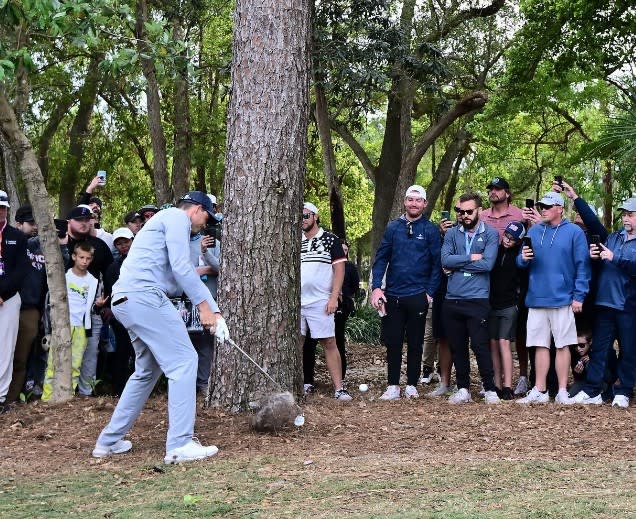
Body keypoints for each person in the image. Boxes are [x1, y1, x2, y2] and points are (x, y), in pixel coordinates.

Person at [93, 191, 229, 464]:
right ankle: (180, 444)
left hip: (128, 300)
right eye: (206, 216)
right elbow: (181, 269)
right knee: (184, 360)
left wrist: (214, 311)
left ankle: (108, 442)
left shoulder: (169, 228)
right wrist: (208, 308)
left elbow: (179, 279)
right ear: (196, 209)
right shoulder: (176, 216)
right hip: (143, 297)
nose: (205, 224)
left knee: (147, 370)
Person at [516, 191, 590, 405]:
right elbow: (521, 263)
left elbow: (582, 267)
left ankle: (562, 391)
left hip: (563, 299)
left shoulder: (574, 232)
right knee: (539, 345)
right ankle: (539, 389)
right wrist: (522, 258)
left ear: (560, 208)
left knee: (562, 345)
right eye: (542, 206)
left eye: (548, 206)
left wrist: (579, 296)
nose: (543, 210)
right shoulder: (534, 230)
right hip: (536, 298)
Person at [371, 185, 441, 400]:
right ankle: (392, 385)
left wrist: (429, 293)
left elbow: (437, 264)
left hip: (418, 295)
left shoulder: (430, 229)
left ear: (425, 204)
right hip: (393, 294)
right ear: (404, 201)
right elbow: (382, 258)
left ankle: (412, 383)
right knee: (393, 342)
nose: (414, 204)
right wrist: (376, 288)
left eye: (418, 201)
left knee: (416, 342)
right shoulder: (393, 227)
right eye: (410, 200)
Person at [572, 197, 636, 407]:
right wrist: (595, 256)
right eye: (624, 214)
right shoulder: (615, 236)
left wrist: (613, 258)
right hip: (605, 303)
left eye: (630, 214)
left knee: (628, 349)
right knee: (599, 348)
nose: (626, 218)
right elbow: (591, 221)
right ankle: (593, 391)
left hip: (627, 305)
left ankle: (623, 391)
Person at [441, 192, 500, 404]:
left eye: (468, 211)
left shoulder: (491, 234)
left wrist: (457, 265)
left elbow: (488, 265)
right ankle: (463, 388)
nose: (463, 215)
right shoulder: (451, 234)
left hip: (478, 298)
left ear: (479, 211)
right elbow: (445, 259)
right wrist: (470, 257)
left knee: (479, 345)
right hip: (453, 298)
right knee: (458, 347)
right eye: (460, 211)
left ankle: (490, 388)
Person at [42, 242, 107, 401]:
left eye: (88, 258)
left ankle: (67, 397)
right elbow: (50, 301)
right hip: (62, 326)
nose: (84, 261)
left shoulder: (93, 281)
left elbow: (91, 308)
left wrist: (97, 305)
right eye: (81, 257)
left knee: (75, 364)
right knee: (54, 362)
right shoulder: (63, 276)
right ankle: (47, 398)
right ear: (74, 257)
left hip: (81, 328)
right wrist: (49, 327)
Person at [300, 202, 352, 401]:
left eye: (306, 216)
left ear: (315, 216)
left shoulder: (331, 240)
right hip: (297, 302)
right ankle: (300, 384)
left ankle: (339, 388)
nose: (302, 220)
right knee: (297, 343)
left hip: (320, 300)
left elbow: (339, 270)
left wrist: (333, 296)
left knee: (329, 341)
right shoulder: (294, 240)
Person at [64, 205, 114, 397]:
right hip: (65, 310)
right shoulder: (59, 243)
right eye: (79, 220)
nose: (84, 223)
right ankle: (63, 392)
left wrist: (108, 303)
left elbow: (110, 274)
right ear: (69, 221)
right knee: (62, 351)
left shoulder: (98, 245)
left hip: (92, 310)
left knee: (91, 352)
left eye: (88, 220)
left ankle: (86, 392)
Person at [303, 240, 360, 391]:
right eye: (340, 249)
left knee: (335, 342)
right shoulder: (322, 264)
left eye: (345, 250)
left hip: (339, 308)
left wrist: (340, 297)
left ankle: (339, 384)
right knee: (309, 343)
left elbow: (354, 286)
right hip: (317, 305)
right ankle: (307, 380)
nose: (342, 252)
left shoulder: (349, 268)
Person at [6, 206, 47, 404]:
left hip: (30, 309)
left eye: (37, 223)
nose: (35, 227)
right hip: (6, 303)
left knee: (21, 357)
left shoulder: (43, 247)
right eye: (31, 223)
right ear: (18, 224)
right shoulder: (8, 244)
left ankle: (11, 399)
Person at [488, 221, 525, 400]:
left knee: (504, 342)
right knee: (493, 343)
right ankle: (496, 383)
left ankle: (508, 386)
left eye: (513, 239)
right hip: (492, 304)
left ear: (519, 241)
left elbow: (523, 271)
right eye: (507, 235)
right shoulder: (495, 251)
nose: (508, 240)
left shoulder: (519, 256)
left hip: (509, 304)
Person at [0, 190, 28, 413]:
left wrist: (2, 293)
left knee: (5, 348)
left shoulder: (16, 236)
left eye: (3, 208)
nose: (0, 211)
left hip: (8, 299)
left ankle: (0, 397)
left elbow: (21, 271)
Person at [103, 228, 136, 396]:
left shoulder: (143, 261)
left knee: (140, 352)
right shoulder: (113, 267)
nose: (124, 246)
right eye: (119, 244)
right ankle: (119, 389)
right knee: (121, 352)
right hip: (120, 315)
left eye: (126, 242)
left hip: (141, 312)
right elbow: (109, 290)